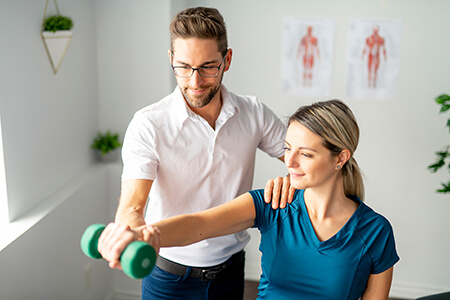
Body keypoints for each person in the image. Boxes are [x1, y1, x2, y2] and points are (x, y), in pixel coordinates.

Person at [99, 99, 400, 299]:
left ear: (340, 158)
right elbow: (200, 224)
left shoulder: (375, 232)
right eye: (287, 148)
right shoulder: (272, 205)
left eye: (305, 154)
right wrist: (144, 235)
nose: (289, 162)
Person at [115, 6, 292, 300]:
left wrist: (291, 180)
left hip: (231, 274)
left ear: (227, 60)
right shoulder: (149, 124)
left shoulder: (254, 113)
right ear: (171, 60)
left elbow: (303, 159)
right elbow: (133, 206)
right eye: (183, 67)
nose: (194, 82)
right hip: (167, 278)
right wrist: (129, 234)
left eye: (208, 67)